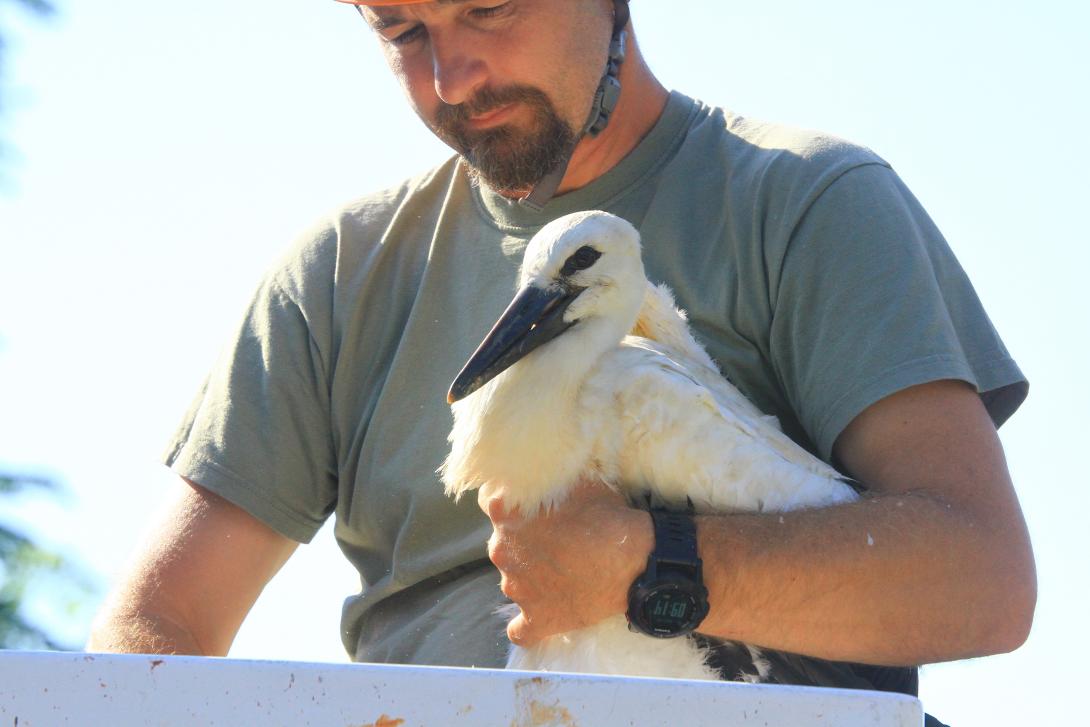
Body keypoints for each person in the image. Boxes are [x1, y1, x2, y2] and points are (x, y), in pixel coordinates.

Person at [88, 0, 1035, 718]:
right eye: (400, 29)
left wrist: (650, 564)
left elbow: (982, 583)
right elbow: (153, 634)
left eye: (488, 7)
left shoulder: (807, 204)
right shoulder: (338, 276)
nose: (452, 77)